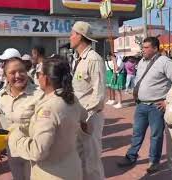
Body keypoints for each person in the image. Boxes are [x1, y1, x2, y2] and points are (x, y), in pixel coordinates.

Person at [8, 58, 87, 180]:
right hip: (72, 168)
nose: (37, 77)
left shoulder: (49, 108)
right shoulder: (71, 98)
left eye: (39, 74)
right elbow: (84, 118)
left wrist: (15, 136)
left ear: (46, 78)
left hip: (52, 174)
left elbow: (38, 151)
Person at [117, 37, 172, 174]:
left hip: (156, 106)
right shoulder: (142, 61)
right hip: (141, 105)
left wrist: (168, 101)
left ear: (155, 48)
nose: (143, 49)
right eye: (143, 47)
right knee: (137, 133)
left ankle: (154, 162)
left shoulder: (165, 62)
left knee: (156, 135)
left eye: (146, 47)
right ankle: (131, 157)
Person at [0, 53, 43, 180]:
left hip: (32, 154)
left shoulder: (39, 94)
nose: (18, 76)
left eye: (21, 71)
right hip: (12, 151)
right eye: (12, 73)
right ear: (5, 76)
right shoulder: (1, 95)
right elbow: (2, 120)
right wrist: (0, 144)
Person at [70, 21, 106, 180]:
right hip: (79, 117)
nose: (70, 37)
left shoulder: (93, 59)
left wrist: (86, 117)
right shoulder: (78, 59)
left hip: (89, 118)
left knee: (92, 162)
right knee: (79, 159)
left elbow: (99, 94)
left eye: (72, 33)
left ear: (80, 36)